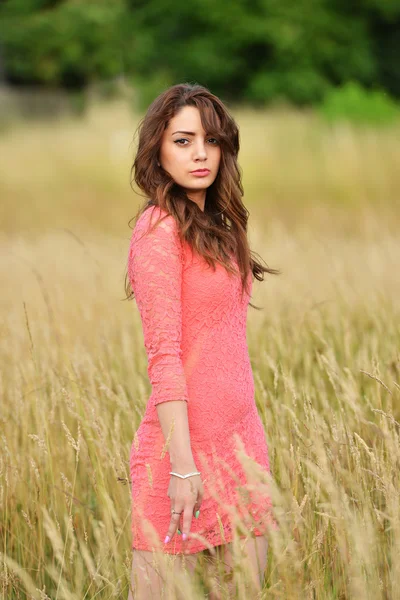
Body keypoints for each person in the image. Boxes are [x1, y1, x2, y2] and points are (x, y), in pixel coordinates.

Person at [125, 83, 280, 599]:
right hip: (180, 456)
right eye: (184, 140)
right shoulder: (157, 230)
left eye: (211, 142)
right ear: (158, 149)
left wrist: (250, 450)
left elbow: (225, 345)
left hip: (241, 446)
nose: (200, 154)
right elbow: (164, 356)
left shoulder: (221, 225)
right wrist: (183, 466)